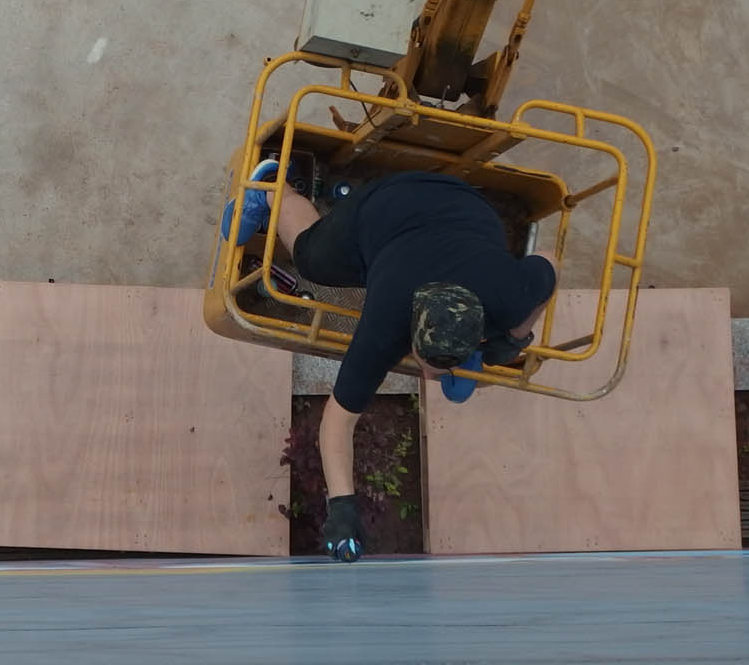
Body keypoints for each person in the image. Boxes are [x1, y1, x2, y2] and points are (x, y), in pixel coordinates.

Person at [232, 163, 556, 562]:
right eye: (430, 365)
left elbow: (549, 261)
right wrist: (342, 507)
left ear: (481, 322)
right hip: (386, 205)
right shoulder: (386, 322)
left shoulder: (510, 294)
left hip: (466, 201)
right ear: (408, 334)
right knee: (310, 259)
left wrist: (518, 335)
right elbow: (337, 420)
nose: (432, 375)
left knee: (353, 258)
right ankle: (272, 190)